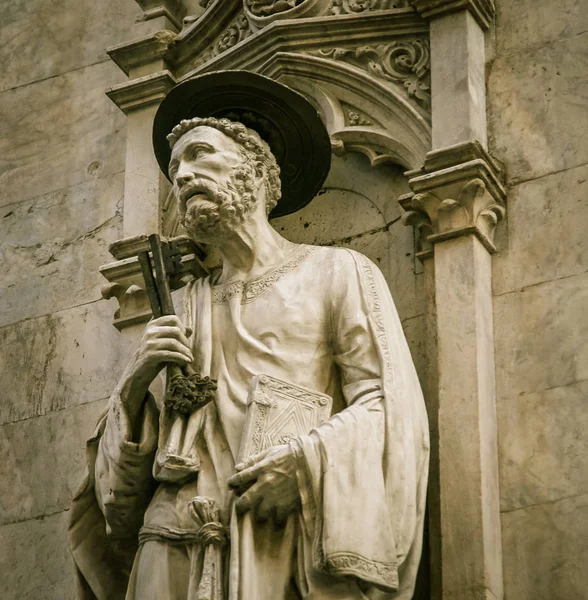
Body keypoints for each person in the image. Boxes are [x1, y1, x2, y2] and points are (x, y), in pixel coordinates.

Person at [69, 73, 429, 600]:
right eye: (174, 170)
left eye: (199, 156)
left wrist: (305, 467)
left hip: (278, 526)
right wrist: (133, 384)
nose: (182, 176)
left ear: (257, 172)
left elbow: (389, 405)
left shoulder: (336, 272)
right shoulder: (184, 305)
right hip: (170, 544)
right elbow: (116, 508)